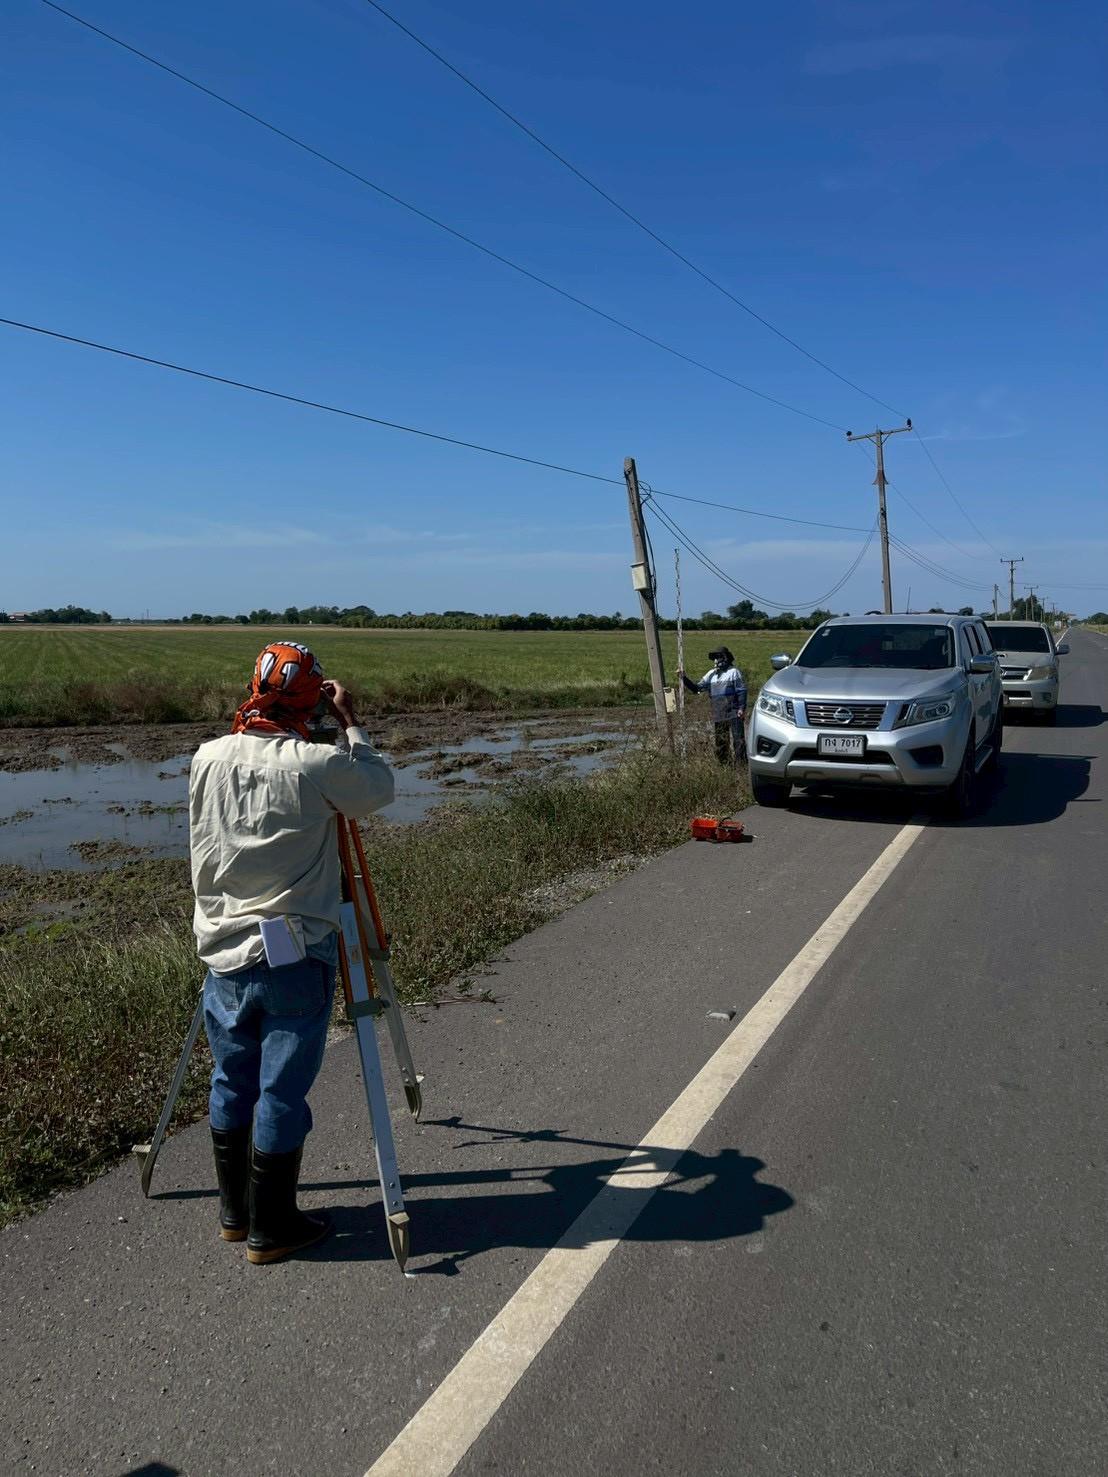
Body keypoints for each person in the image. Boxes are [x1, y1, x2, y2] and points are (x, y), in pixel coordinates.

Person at [189, 640, 394, 1264]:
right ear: (312, 697)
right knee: (279, 1092)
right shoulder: (314, 763)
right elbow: (377, 789)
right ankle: (271, 1228)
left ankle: (235, 1213)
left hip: (223, 948)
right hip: (294, 950)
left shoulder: (207, 757)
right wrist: (351, 724)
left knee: (231, 1079)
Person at [680, 646, 748, 766]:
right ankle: (725, 768)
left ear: (725, 658)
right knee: (721, 743)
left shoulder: (734, 672)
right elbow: (697, 689)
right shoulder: (711, 674)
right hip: (718, 713)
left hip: (734, 712)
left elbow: (741, 690)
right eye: (714, 658)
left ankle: (741, 768)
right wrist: (684, 678)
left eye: (718, 657)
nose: (715, 661)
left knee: (738, 741)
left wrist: (742, 708)